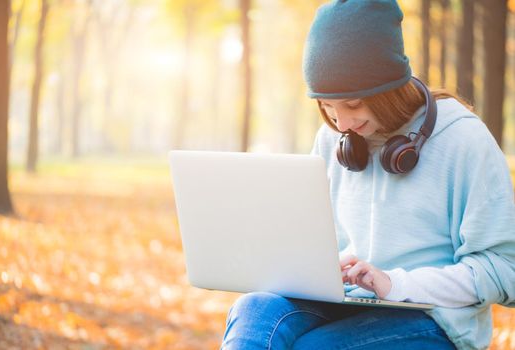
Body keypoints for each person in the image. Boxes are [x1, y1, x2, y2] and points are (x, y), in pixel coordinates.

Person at [220, 1, 515, 349]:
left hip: (433, 318)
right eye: (328, 107)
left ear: (388, 87)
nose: (341, 124)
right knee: (253, 309)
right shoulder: (333, 138)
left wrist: (394, 283)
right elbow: (312, 240)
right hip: (345, 302)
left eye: (354, 104)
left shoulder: (462, 139)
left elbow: (504, 271)